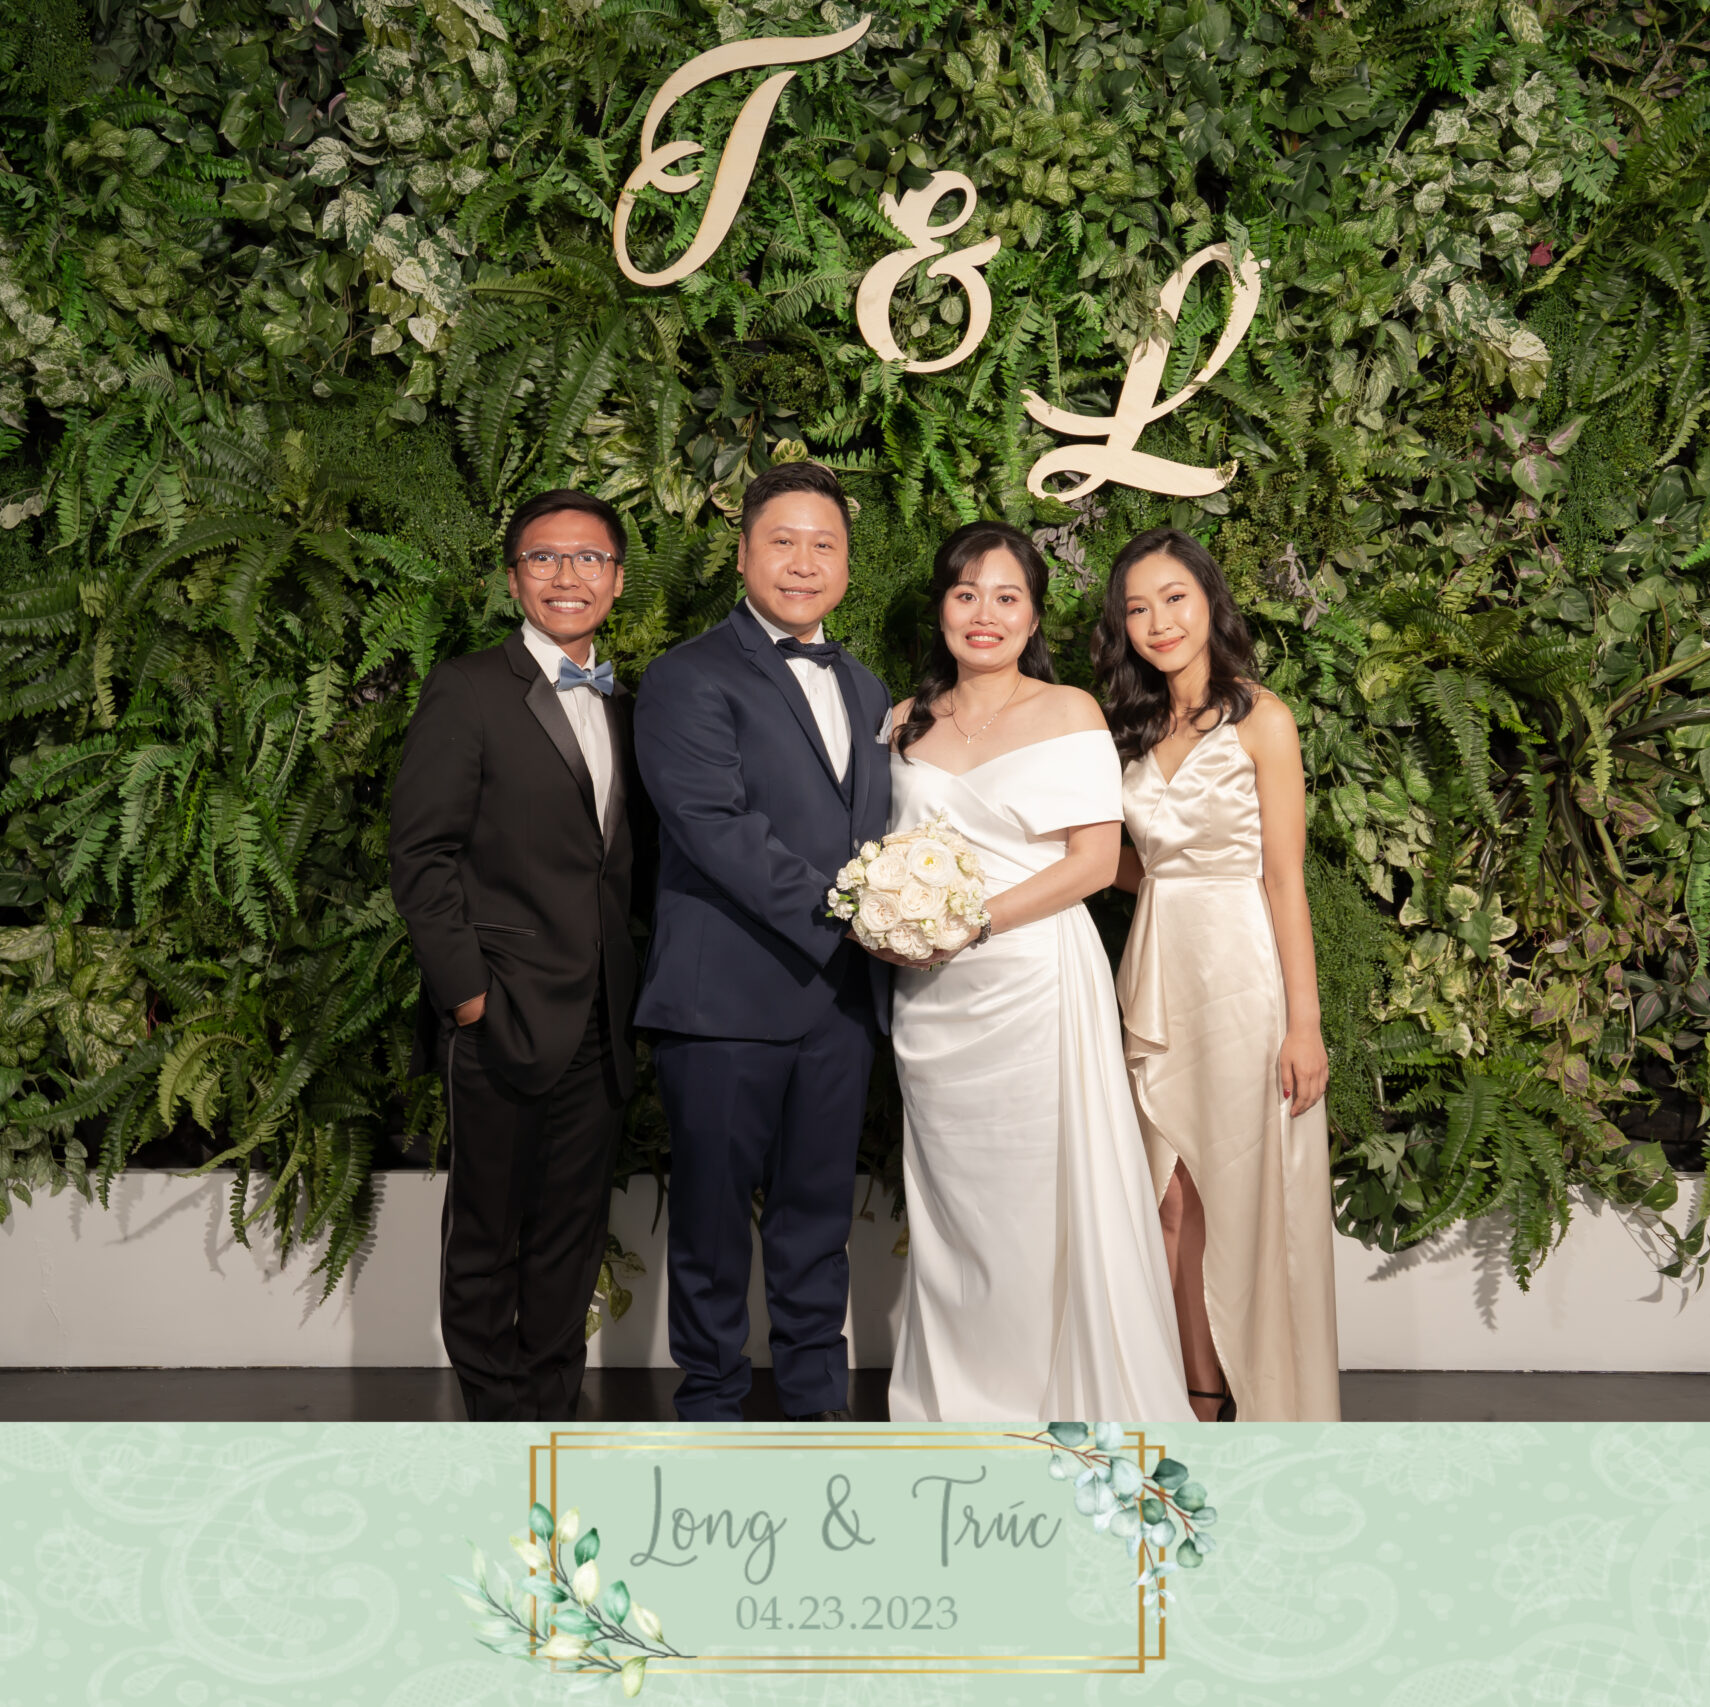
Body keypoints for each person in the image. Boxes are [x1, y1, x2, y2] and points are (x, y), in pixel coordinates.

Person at [881, 520, 1189, 1422]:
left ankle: (1054, 1402)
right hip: (933, 1003)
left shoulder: (1070, 711)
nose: (985, 614)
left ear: (1033, 614)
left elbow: (1093, 864)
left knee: (1041, 1204)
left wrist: (972, 922)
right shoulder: (901, 722)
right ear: (942, 607)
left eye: (1006, 596)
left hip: (1036, 990)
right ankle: (960, 1404)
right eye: (965, 593)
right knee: (956, 1212)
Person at [632, 461, 894, 1423]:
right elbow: (717, 828)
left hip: (840, 1007)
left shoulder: (867, 687)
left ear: (848, 566)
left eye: (824, 544)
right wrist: (861, 916)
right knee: (709, 1229)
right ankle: (711, 1415)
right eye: (783, 541)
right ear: (743, 554)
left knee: (817, 1222)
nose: (803, 562)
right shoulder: (688, 675)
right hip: (725, 1003)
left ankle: (818, 1413)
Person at [388, 489, 649, 1422]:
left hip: (602, 1020)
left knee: (571, 1238)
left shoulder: (629, 703)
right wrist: (468, 997)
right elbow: (421, 855)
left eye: (589, 559)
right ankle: (494, 1429)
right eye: (545, 557)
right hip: (502, 1014)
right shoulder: (466, 688)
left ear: (617, 579)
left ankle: (550, 1420)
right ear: (513, 579)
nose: (567, 575)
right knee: (487, 1236)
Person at [1097, 526, 1339, 1423]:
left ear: (1209, 602)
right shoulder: (1128, 727)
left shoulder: (1262, 719)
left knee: (1234, 1192)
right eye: (1138, 608)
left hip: (1242, 976)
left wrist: (1304, 1024)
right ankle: (1184, 1400)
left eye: (1175, 598)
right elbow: (1138, 863)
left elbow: (1285, 878)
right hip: (1156, 971)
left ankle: (1251, 1401)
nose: (1159, 621)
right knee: (1165, 1195)